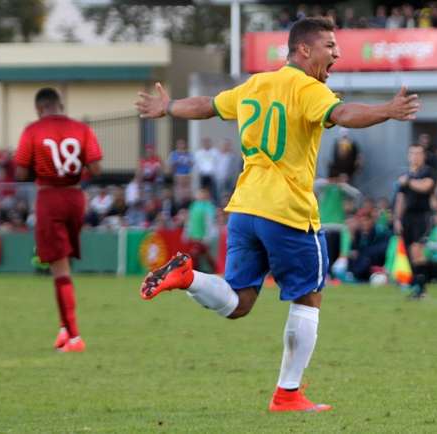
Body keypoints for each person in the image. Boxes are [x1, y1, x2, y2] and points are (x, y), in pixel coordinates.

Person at [134, 17, 419, 412]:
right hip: (287, 210)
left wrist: (167, 107)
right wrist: (387, 110)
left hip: (244, 208)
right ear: (304, 50)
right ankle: (288, 394)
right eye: (329, 46)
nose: (336, 53)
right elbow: (344, 114)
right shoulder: (307, 88)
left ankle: (189, 277)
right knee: (308, 297)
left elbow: (208, 107)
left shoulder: (255, 85)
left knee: (240, 301)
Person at [14, 87, 103, 353]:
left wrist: (40, 169)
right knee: (63, 264)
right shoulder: (82, 129)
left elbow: (19, 172)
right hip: (76, 198)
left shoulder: (32, 131)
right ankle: (64, 328)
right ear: (60, 105)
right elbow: (96, 168)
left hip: (49, 198)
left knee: (59, 269)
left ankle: (74, 337)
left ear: (39, 108)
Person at [394, 143, 436, 298]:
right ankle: (418, 287)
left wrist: (409, 181)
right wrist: (397, 219)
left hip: (422, 216)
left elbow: (426, 186)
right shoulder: (405, 175)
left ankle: (421, 288)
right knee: (410, 253)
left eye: (418, 153)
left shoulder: (428, 172)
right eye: (412, 153)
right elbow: (401, 199)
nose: (415, 156)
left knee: (417, 250)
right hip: (407, 218)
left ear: (423, 156)